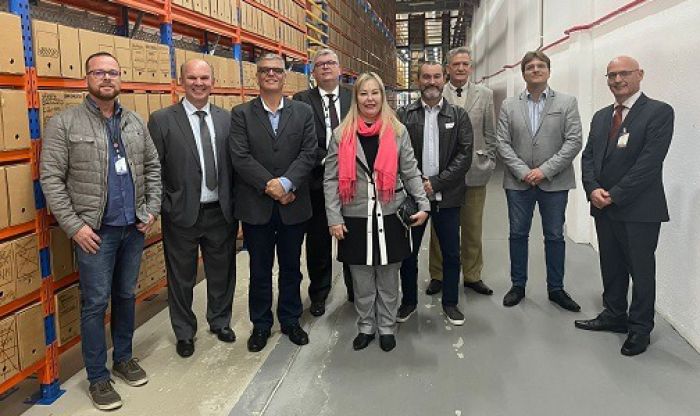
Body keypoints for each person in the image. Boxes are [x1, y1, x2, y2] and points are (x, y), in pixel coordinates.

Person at [40, 52, 161, 411]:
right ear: (87, 79)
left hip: (133, 228)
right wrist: (75, 226)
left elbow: (153, 167)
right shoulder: (65, 123)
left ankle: (123, 358)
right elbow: (51, 179)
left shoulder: (134, 122)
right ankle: (97, 377)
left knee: (125, 295)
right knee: (95, 304)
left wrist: (151, 209)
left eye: (113, 72)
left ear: (120, 78)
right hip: (96, 233)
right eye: (99, 72)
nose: (107, 78)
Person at [324, 72, 429, 352]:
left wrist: (423, 204)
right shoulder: (341, 135)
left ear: (382, 96)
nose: (369, 99)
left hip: (390, 214)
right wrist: (334, 217)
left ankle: (386, 326)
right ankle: (366, 326)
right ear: (356, 98)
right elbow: (331, 179)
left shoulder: (397, 131)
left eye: (375, 93)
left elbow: (410, 171)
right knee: (361, 279)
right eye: (363, 93)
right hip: (355, 216)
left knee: (388, 277)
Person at [576, 56, 674, 356]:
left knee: (641, 271)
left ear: (640, 74)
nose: (617, 80)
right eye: (611, 75)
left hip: (639, 209)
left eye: (624, 73)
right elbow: (588, 156)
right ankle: (614, 314)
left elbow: (649, 163)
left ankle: (640, 328)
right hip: (603, 206)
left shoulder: (658, 112)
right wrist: (592, 189)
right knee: (611, 265)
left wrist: (615, 194)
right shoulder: (601, 116)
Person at [148, 59, 238, 358]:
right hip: (181, 213)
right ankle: (184, 332)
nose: (199, 83)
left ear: (213, 82)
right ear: (181, 82)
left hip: (220, 211)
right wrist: (165, 204)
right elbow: (154, 168)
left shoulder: (226, 119)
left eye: (204, 78)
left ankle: (220, 321)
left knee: (222, 271)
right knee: (181, 277)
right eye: (192, 78)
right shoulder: (162, 120)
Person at [229, 53, 316, 352]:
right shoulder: (241, 114)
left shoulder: (303, 112)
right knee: (260, 270)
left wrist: (287, 183)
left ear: (284, 76)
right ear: (257, 76)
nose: (271, 74)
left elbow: (309, 153)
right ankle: (261, 325)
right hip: (257, 207)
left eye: (277, 70)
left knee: (291, 267)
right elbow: (240, 156)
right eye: (265, 70)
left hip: (294, 205)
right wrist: (272, 187)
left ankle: (291, 320)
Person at [495, 50, 582, 311]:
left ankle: (556, 288)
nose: (535, 70)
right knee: (517, 234)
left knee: (554, 236)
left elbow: (573, 141)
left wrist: (544, 170)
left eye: (540, 65)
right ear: (523, 73)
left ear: (548, 70)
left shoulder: (567, 102)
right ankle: (517, 285)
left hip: (554, 182)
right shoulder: (509, 105)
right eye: (529, 66)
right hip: (518, 182)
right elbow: (502, 142)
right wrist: (523, 171)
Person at [396, 60, 473, 325]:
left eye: (436, 76)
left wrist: (438, 182)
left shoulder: (459, 115)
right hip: (413, 199)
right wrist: (417, 185)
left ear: (444, 79)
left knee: (451, 253)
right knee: (408, 253)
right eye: (426, 77)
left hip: (447, 197)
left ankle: (450, 302)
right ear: (418, 81)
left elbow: (464, 155)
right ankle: (408, 302)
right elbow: (395, 155)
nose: (432, 82)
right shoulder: (404, 115)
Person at [427, 47, 496, 297]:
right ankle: (438, 275)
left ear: (470, 67)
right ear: (448, 68)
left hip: (475, 172)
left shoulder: (485, 95)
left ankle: (472, 275)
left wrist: (489, 163)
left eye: (465, 64)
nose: (460, 68)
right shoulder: (436, 92)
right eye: (456, 64)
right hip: (443, 176)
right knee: (440, 230)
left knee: (472, 227)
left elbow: (490, 133)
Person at [293, 49, 353, 316]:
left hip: (352, 181)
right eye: (320, 65)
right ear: (313, 72)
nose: (326, 67)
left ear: (339, 69)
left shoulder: (354, 97)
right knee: (318, 242)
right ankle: (319, 293)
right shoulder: (301, 100)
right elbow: (301, 141)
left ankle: (355, 290)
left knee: (352, 238)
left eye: (331, 63)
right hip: (316, 182)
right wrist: (329, 159)